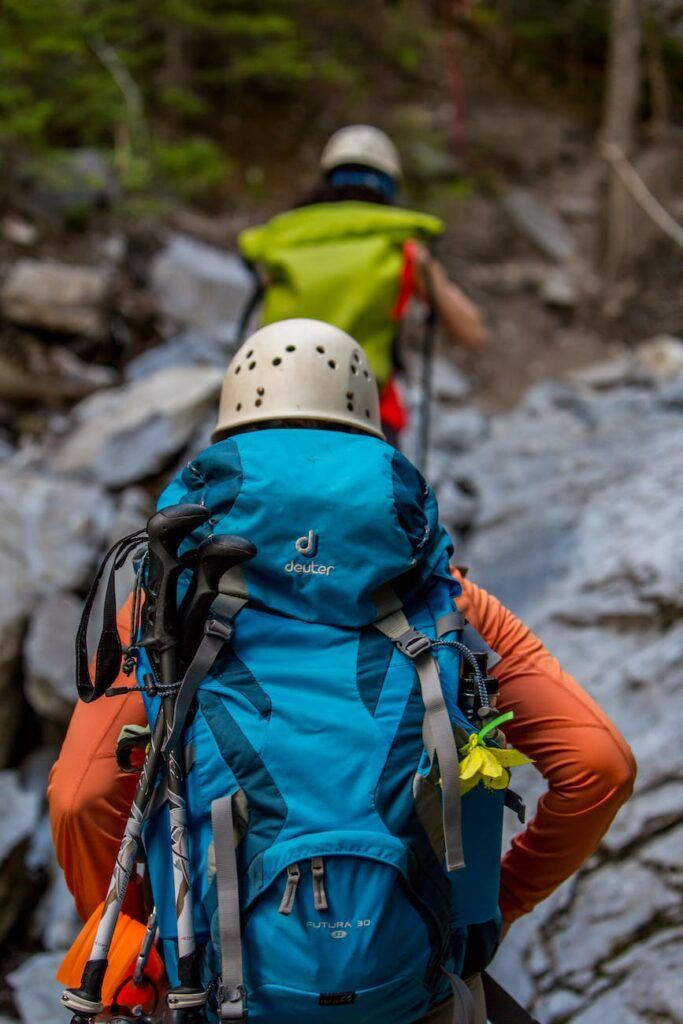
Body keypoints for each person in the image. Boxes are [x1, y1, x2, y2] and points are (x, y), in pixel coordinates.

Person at [48, 320, 635, 1023]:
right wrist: (486, 909)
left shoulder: (168, 597)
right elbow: (599, 766)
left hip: (214, 985)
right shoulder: (446, 599)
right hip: (409, 982)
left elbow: (79, 799)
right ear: (367, 423)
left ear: (231, 422)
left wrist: (138, 931)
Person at [237, 125, 487, 443]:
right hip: (366, 419)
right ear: (389, 186)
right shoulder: (402, 249)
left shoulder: (280, 244)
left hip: (271, 412)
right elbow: (472, 333)